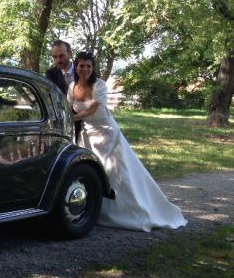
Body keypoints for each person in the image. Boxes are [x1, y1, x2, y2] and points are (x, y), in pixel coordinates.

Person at [67, 51, 187, 232]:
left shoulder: (99, 85)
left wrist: (73, 119)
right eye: (82, 66)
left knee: (114, 171)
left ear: (93, 68)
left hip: (106, 132)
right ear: (76, 67)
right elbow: (69, 108)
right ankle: (93, 209)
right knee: (92, 171)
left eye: (89, 66)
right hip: (86, 134)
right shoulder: (71, 86)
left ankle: (130, 211)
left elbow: (91, 110)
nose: (85, 69)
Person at [46, 40, 82, 142]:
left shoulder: (83, 69)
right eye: (55, 57)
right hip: (63, 121)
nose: (58, 60)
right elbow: (50, 98)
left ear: (70, 54)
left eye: (61, 56)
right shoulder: (50, 73)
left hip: (86, 118)